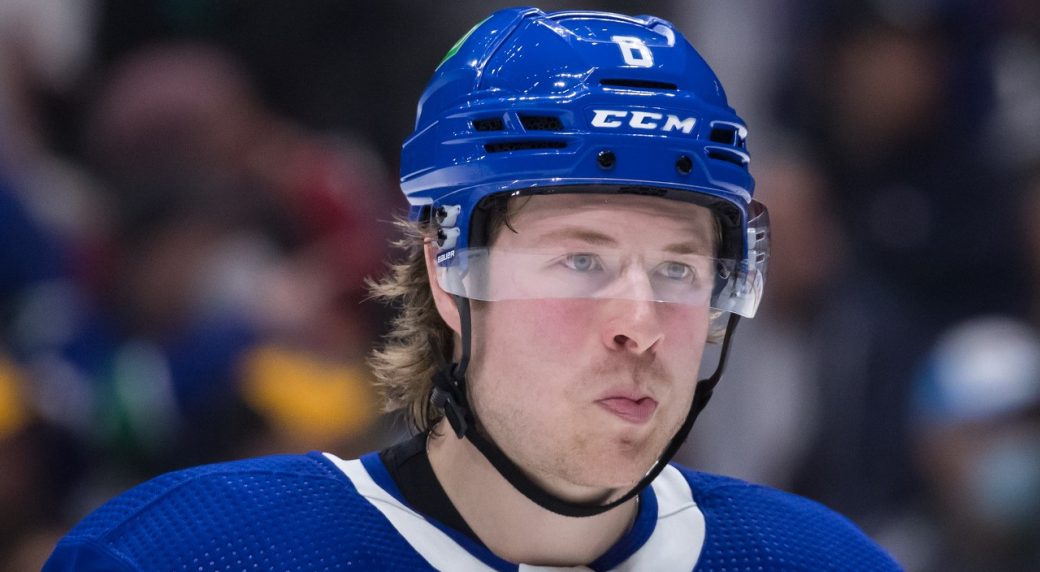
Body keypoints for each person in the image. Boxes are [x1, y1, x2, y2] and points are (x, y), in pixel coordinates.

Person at [45, 8, 900, 570]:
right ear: (447, 269)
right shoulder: (182, 556)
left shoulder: (821, 562)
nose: (641, 325)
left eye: (679, 269)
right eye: (582, 261)